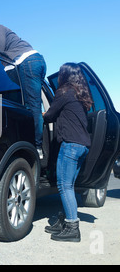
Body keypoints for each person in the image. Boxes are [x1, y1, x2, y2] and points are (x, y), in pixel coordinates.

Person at [0, 20, 46, 158]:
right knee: (29, 104)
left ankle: (37, 147)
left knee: (33, 106)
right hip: (29, 63)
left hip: (27, 61)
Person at [43, 63, 93, 242]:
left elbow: (50, 115)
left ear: (64, 75)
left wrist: (42, 114)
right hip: (83, 146)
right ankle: (64, 221)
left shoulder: (64, 92)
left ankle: (72, 228)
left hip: (71, 145)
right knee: (69, 186)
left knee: (64, 187)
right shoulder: (80, 95)